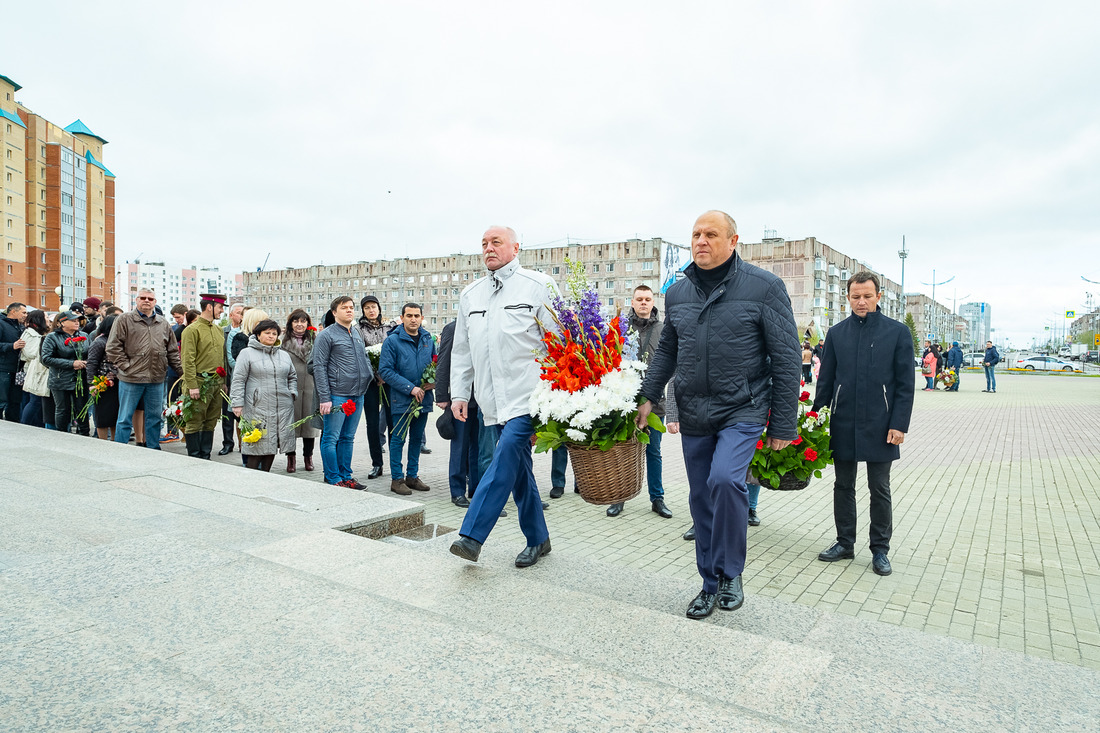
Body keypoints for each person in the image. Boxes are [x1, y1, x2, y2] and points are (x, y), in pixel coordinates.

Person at [636, 210, 801, 620]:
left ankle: (731, 574)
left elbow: (786, 357)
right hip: (694, 408)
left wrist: (783, 423)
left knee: (726, 480)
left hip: (742, 407)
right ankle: (708, 583)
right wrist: (648, 395)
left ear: (733, 241)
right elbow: (668, 351)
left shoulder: (765, 287)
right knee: (700, 497)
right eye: (695, 234)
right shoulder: (677, 292)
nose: (701, 241)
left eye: (711, 234)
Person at [448, 225, 561, 568]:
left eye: (496, 242)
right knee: (518, 469)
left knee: (505, 455)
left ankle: (472, 535)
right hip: (490, 399)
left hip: (530, 395)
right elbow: (463, 351)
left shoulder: (538, 285)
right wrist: (459, 394)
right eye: (484, 243)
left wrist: (560, 394)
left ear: (515, 247)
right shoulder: (472, 294)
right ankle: (538, 539)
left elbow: (560, 342)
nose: (489, 248)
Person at [813, 272, 915, 577]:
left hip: (881, 423)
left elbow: (905, 385)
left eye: (867, 296)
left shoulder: (896, 333)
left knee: (879, 487)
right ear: (848, 297)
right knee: (842, 485)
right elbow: (826, 379)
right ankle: (845, 542)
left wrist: (899, 424)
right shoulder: (837, 333)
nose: (861, 302)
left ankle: (880, 550)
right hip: (843, 420)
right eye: (855, 297)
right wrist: (817, 416)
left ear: (878, 297)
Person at [605, 285, 674, 519]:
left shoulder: (664, 329)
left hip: (655, 403)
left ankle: (657, 498)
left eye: (647, 299)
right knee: (623, 452)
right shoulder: (622, 329)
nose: (643, 303)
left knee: (653, 451)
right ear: (632, 302)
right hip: (626, 403)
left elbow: (671, 366)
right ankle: (619, 497)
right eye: (639, 299)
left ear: (653, 302)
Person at [106, 288, 181, 450]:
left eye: (150, 298)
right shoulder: (124, 320)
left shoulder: (163, 323)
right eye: (143, 298)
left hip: (156, 379)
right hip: (131, 379)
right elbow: (112, 348)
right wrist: (127, 367)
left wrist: (182, 373)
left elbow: (173, 351)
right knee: (125, 418)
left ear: (155, 302)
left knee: (154, 418)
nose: (147, 301)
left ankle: (153, 450)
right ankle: (121, 450)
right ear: (136, 300)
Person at [313, 296, 373, 489]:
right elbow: (319, 367)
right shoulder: (326, 335)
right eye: (344, 308)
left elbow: (363, 358)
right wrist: (325, 397)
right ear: (334, 312)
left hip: (357, 393)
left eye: (351, 307)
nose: (349, 310)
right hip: (337, 394)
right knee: (331, 437)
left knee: (348, 437)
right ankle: (332, 477)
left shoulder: (355, 333)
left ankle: (346, 476)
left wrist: (370, 375)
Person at [380, 303, 436, 496]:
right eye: (409, 315)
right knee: (398, 439)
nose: (413, 319)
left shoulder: (428, 339)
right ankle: (397, 479)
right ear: (402, 318)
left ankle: (412, 476)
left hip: (424, 400)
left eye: (417, 316)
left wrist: (434, 381)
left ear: (421, 318)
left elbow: (435, 363)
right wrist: (410, 388)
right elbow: (385, 371)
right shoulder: (393, 341)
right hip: (402, 400)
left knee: (417, 439)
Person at [231, 319, 298, 472]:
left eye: (274, 333)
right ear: (258, 335)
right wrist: (237, 403)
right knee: (257, 445)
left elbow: (292, 376)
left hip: (281, 407)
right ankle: (251, 479)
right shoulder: (246, 353)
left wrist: (292, 393)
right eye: (267, 333)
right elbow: (238, 379)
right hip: (257, 407)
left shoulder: (284, 355)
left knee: (272, 444)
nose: (271, 336)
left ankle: (266, 476)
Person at [435, 317, 479, 508]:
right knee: (460, 447)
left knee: (479, 449)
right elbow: (443, 363)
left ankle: (476, 490)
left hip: (484, 399)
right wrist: (442, 395)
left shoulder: (484, 323)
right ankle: (457, 491)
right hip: (462, 399)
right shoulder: (453, 328)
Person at [179, 293, 227, 459]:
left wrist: (223, 383)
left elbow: (222, 358)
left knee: (211, 420)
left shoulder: (219, 330)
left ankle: (205, 456)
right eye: (220, 307)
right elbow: (187, 360)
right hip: (198, 382)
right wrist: (192, 385)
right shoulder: (192, 330)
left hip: (215, 383)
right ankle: (194, 456)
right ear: (209, 307)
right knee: (194, 421)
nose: (221, 311)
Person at [280, 309, 320, 472]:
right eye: (296, 321)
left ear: (308, 324)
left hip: (311, 387)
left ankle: (308, 457)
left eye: (303, 321)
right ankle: (291, 459)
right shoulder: (283, 343)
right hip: (291, 389)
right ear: (290, 324)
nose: (299, 324)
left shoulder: (315, 341)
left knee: (310, 426)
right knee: (291, 425)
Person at [357, 295, 391, 478]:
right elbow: (360, 356)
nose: (371, 310)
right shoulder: (358, 330)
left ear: (379, 308)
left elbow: (394, 351)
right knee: (372, 423)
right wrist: (375, 375)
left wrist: (386, 375)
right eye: (367, 307)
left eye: (374, 307)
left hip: (389, 381)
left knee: (393, 421)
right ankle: (377, 463)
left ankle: (396, 464)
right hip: (369, 382)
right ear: (363, 311)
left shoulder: (390, 327)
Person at [40, 312, 91, 434]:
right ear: (61, 323)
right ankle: (62, 435)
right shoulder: (52, 337)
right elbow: (45, 359)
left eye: (78, 320)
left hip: (80, 378)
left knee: (82, 408)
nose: (77, 322)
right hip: (60, 379)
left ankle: (84, 434)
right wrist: (71, 364)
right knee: (63, 409)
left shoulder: (84, 335)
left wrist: (87, 363)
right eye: (73, 320)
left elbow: (91, 354)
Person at [85, 315, 121, 440]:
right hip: (103, 383)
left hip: (119, 382)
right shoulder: (99, 342)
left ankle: (115, 441)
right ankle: (103, 441)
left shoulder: (120, 340)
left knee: (116, 415)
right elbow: (91, 363)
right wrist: (92, 384)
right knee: (103, 415)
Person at [219, 303, 245, 456]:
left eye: (243, 313)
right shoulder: (223, 332)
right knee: (227, 414)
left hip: (240, 377)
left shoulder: (246, 332)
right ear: (231, 315)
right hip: (227, 377)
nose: (241, 316)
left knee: (240, 413)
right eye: (238, 313)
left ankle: (243, 443)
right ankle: (227, 443)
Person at [18, 310, 50, 427]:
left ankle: (35, 425)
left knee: (36, 401)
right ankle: (24, 424)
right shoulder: (31, 333)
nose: (48, 320)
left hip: (38, 370)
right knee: (34, 400)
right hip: (34, 370)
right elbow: (31, 352)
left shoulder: (38, 333)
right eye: (46, 317)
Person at [0, 302, 27, 422]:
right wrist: (12, 346)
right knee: (2, 400)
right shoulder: (1, 324)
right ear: (13, 311)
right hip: (3, 368)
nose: (25, 315)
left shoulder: (22, 327)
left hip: (18, 370)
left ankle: (14, 424)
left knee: (15, 401)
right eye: (23, 312)